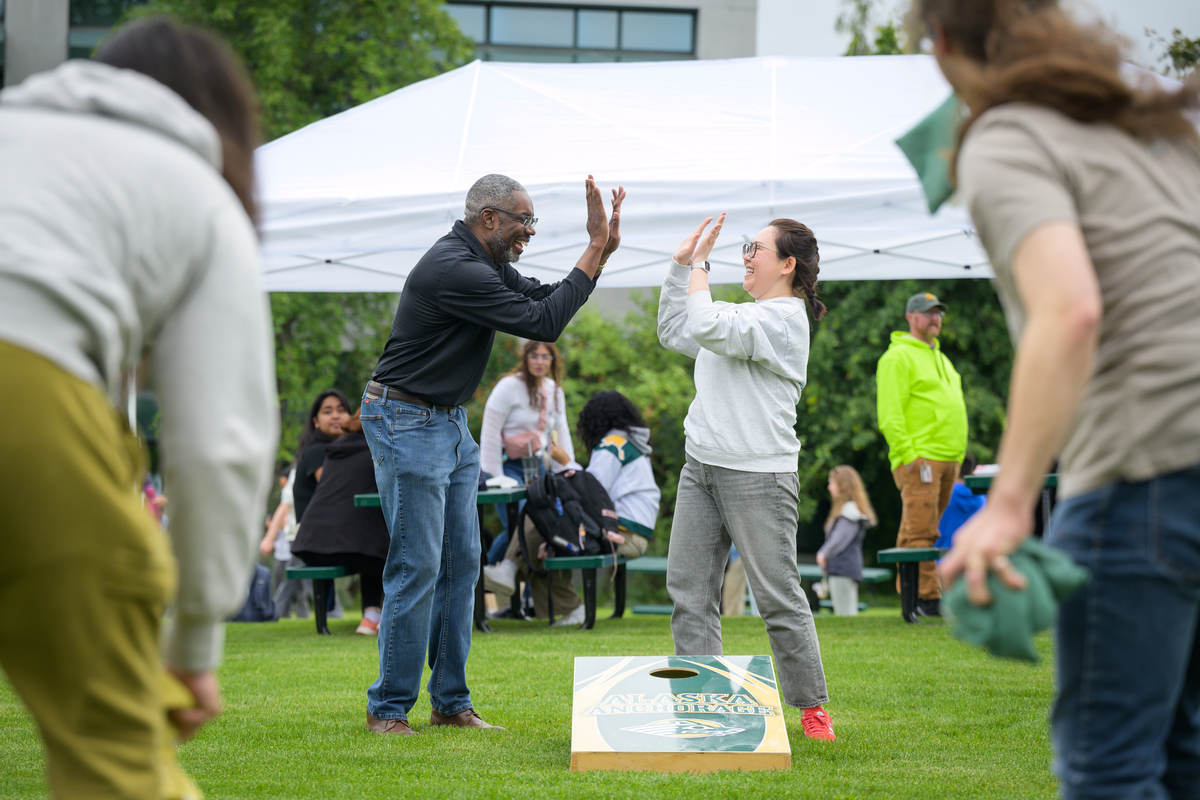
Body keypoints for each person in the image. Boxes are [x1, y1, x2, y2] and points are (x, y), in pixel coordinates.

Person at [917, 0, 1200, 796]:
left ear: (943, 45)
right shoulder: (1155, 126)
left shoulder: (1007, 134)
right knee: (1185, 756)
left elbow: (1070, 311)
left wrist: (1008, 505)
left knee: (1108, 770)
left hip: (1144, 471)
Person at [0, 16, 277, 799]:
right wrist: (191, 646)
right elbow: (219, 443)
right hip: (25, 403)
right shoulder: (194, 192)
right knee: (115, 762)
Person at [360, 173, 624, 735]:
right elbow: (543, 323)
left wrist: (596, 258)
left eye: (531, 221)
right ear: (488, 218)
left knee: (462, 566)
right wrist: (594, 247)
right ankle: (388, 708)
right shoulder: (455, 268)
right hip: (404, 419)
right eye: (523, 221)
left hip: (447, 422)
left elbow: (542, 297)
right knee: (418, 565)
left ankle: (450, 702)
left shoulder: (484, 264)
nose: (528, 231)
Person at [658, 213, 837, 741]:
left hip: (760, 476)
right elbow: (676, 329)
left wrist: (701, 265)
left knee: (778, 595)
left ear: (788, 264)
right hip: (701, 469)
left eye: (754, 248)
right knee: (689, 592)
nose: (746, 255)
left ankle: (811, 709)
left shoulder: (785, 321)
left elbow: (708, 323)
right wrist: (679, 267)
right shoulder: (741, 316)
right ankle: (701, 702)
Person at [484, 389, 660, 626]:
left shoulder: (612, 445)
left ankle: (511, 569)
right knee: (546, 531)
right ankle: (515, 574)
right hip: (630, 533)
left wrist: (565, 461)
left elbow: (590, 492)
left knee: (542, 517)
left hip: (621, 534)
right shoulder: (630, 443)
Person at [875, 291, 967, 617]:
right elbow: (890, 413)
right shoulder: (897, 357)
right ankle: (928, 599)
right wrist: (909, 455)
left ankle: (910, 593)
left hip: (948, 458)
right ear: (911, 317)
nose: (935, 318)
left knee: (918, 528)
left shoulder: (941, 357)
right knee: (923, 532)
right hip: (922, 459)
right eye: (927, 313)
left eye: (938, 313)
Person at [292, 411, 390, 636]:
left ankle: (370, 617)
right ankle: (374, 616)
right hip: (349, 548)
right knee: (382, 550)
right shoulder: (378, 449)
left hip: (311, 544)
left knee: (372, 548)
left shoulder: (336, 451)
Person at [479, 340, 575, 564]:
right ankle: (483, 582)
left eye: (545, 357)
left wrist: (567, 471)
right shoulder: (508, 387)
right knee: (519, 526)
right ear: (525, 358)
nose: (539, 362)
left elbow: (562, 433)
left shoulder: (554, 390)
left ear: (553, 361)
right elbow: (490, 432)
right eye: (534, 356)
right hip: (508, 466)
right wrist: (495, 476)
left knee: (538, 529)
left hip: (538, 466)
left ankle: (526, 596)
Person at [293, 390, 352, 619]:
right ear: (316, 422)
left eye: (341, 410)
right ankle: (373, 612)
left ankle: (373, 612)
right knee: (378, 545)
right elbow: (336, 492)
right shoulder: (318, 451)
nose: (336, 416)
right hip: (317, 540)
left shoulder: (341, 451)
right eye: (327, 412)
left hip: (326, 537)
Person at [816, 466, 878, 617]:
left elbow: (838, 539)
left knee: (846, 615)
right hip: (844, 569)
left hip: (843, 570)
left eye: (832, 483)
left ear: (843, 486)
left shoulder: (850, 512)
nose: (829, 487)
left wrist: (823, 554)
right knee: (847, 613)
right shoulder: (850, 510)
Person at [259, 466, 312, 619]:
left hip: (298, 537)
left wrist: (269, 536)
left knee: (295, 583)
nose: (284, 488)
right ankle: (281, 613)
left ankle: (276, 613)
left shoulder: (297, 475)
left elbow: (285, 505)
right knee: (294, 584)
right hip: (292, 542)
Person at [935, 453, 986, 550]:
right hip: (972, 560)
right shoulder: (984, 500)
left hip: (941, 560)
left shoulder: (940, 496)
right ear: (972, 473)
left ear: (951, 471)